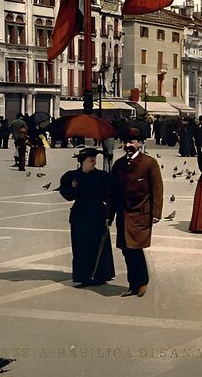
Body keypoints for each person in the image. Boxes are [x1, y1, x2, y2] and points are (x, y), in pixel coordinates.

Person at [110, 122, 163, 297]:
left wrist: (156, 213)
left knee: (135, 248)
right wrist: (109, 215)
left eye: (132, 142)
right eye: (125, 142)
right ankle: (133, 284)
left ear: (139, 143)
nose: (128, 145)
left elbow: (157, 190)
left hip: (140, 214)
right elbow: (113, 192)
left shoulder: (149, 163)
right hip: (123, 215)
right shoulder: (118, 165)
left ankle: (141, 282)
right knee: (126, 250)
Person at [59, 149, 115, 287]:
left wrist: (109, 214)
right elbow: (68, 195)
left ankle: (100, 275)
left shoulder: (102, 176)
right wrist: (72, 187)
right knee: (80, 246)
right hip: (80, 216)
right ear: (82, 162)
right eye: (91, 160)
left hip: (97, 214)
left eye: (95, 160)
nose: (94, 162)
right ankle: (83, 276)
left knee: (98, 245)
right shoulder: (72, 176)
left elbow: (109, 196)